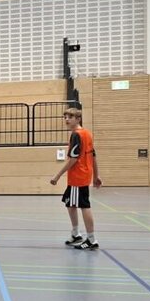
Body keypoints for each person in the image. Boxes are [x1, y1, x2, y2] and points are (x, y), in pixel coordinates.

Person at [49, 107, 102, 250]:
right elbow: (93, 156)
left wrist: (57, 176)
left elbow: (73, 159)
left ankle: (91, 239)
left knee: (84, 205)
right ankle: (76, 233)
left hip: (78, 176)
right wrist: (96, 176)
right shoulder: (87, 134)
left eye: (70, 117)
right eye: (65, 117)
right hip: (84, 175)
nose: (67, 119)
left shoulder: (76, 135)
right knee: (69, 202)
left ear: (78, 119)